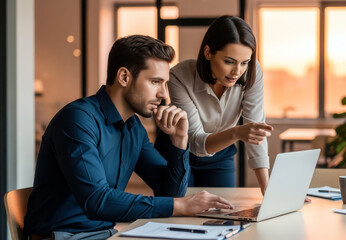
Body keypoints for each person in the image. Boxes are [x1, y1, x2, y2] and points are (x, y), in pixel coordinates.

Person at [24, 35, 233, 240]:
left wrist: (179, 141)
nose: (163, 95)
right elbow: (97, 201)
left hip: (107, 234)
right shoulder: (77, 119)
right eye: (155, 82)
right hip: (64, 236)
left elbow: (169, 192)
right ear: (124, 77)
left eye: (164, 84)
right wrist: (179, 206)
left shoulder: (133, 127)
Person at [166, 16, 273, 194]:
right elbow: (196, 142)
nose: (237, 72)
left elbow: (256, 132)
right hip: (180, 153)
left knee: (223, 213)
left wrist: (268, 190)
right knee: (180, 213)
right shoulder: (178, 76)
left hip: (221, 154)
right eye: (229, 61)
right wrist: (237, 132)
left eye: (244, 63)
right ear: (208, 52)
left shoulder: (252, 72)